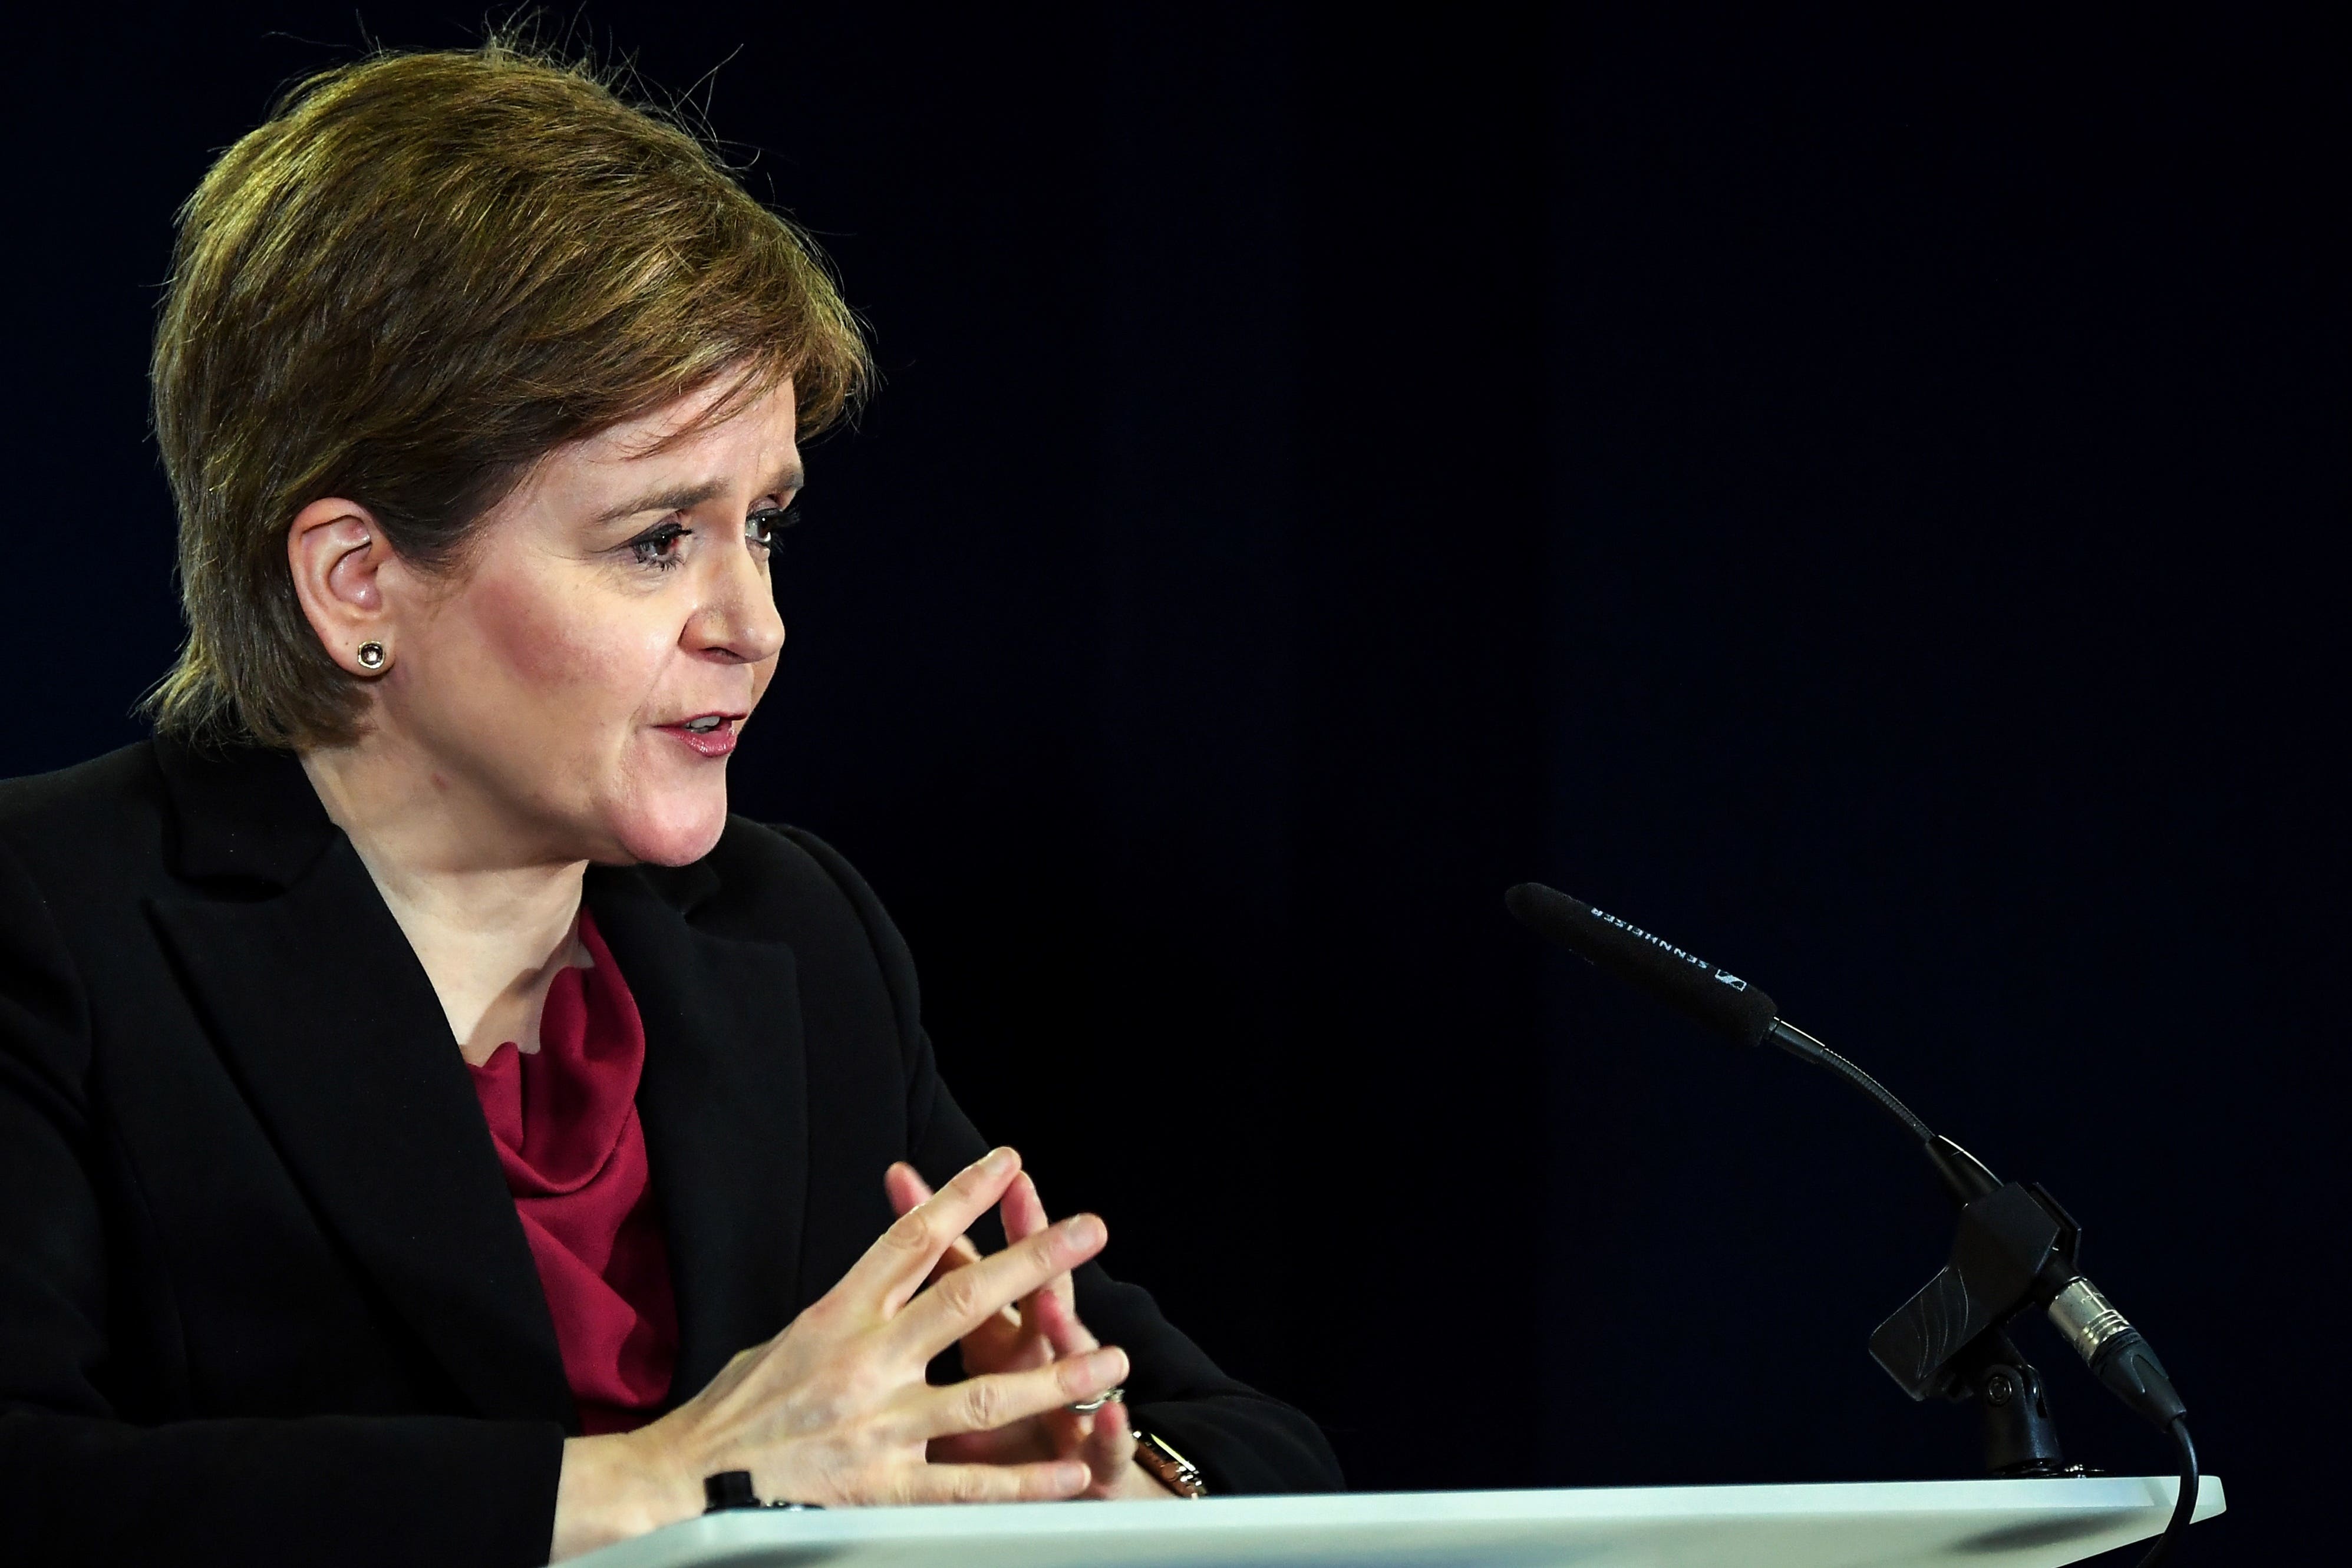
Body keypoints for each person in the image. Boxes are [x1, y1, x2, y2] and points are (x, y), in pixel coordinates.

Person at [0, 41, 1340, 1567]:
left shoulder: (792, 937)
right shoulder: (56, 930)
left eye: (762, 526)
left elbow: (1241, 1439)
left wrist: (1095, 1490)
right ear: (357, 581)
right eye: (655, 542)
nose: (751, 624)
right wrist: (669, 1481)